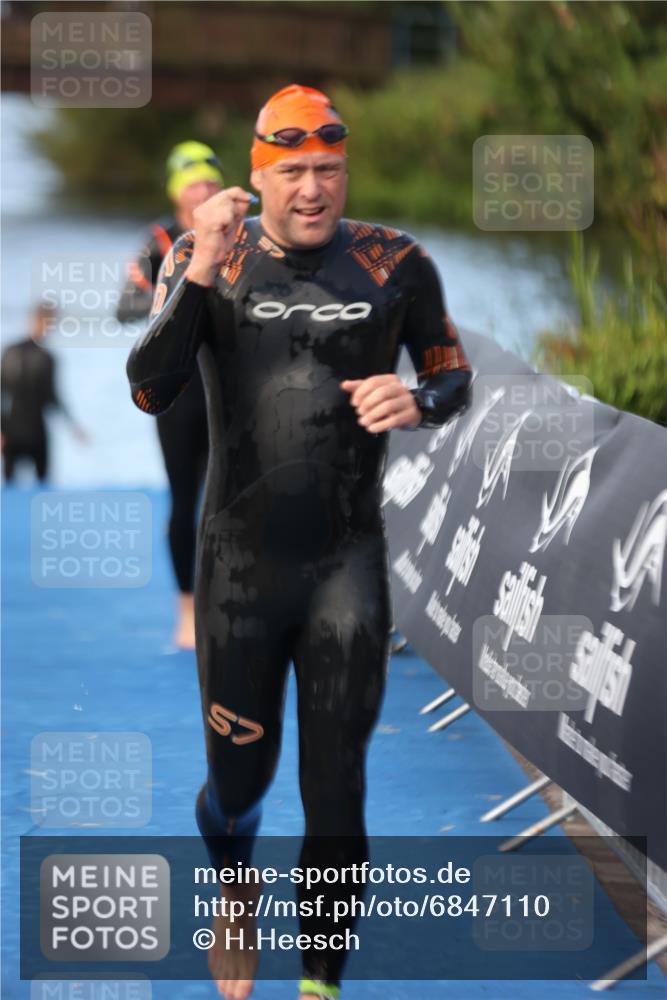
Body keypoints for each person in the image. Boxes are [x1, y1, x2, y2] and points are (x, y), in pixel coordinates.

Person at [127, 84, 471, 1000]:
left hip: (344, 569)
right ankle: (234, 882)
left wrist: (420, 401)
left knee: (336, 789)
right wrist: (196, 269)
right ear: (258, 175)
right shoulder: (215, 259)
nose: (312, 189)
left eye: (328, 169)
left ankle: (320, 984)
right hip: (237, 573)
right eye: (292, 172)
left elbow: (450, 375)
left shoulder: (396, 262)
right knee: (235, 788)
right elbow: (149, 389)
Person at [117, 141, 224, 648]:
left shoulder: (239, 235)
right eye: (193, 184)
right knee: (185, 499)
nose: (203, 191)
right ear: (177, 192)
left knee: (234, 500)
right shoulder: (158, 240)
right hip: (178, 390)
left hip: (231, 383)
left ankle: (232, 602)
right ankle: (186, 609)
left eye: (210, 182)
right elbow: (125, 306)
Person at [1, 302, 86, 482]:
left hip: (29, 431)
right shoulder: (17, 354)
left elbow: (52, 397)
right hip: (19, 432)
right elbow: (2, 392)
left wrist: (72, 425)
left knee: (36, 489)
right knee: (17, 489)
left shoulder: (41, 357)